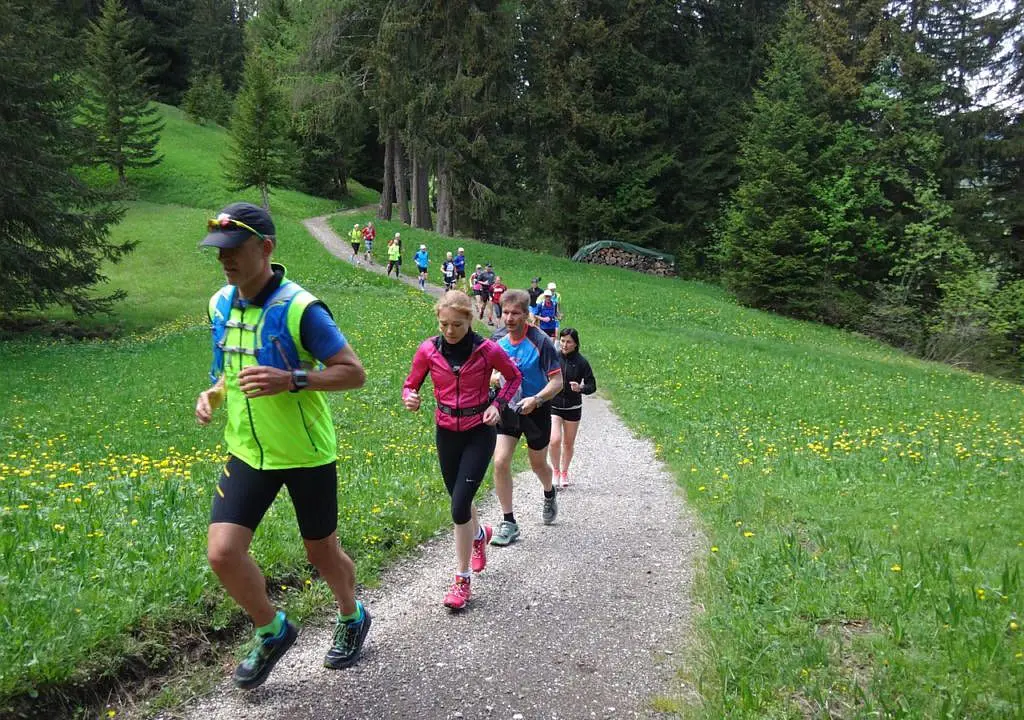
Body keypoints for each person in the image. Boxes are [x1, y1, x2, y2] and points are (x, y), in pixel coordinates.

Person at [195, 202, 371, 690]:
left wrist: (291, 379)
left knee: (321, 554)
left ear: (266, 247)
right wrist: (211, 395)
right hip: (248, 451)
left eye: (234, 249)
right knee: (223, 553)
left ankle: (352, 614)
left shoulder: (301, 308)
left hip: (306, 453)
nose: (224, 260)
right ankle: (273, 629)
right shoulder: (219, 304)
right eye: (218, 251)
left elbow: (353, 372)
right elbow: (225, 372)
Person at [402, 291, 523, 610]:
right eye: (443, 324)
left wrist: (497, 405)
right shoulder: (428, 350)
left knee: (458, 508)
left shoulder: (487, 350)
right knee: (459, 497)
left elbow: (513, 378)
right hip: (446, 431)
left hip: (479, 431)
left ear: (470, 320)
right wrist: (410, 397)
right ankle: (479, 534)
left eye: (457, 324)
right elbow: (411, 384)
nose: (450, 331)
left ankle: (461, 580)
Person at [489, 290, 564, 546]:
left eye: (515, 313)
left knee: (537, 465)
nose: (509, 318)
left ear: (526, 314)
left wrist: (537, 400)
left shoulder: (541, 341)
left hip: (535, 408)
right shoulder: (496, 340)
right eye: (505, 312)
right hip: (508, 408)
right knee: (499, 462)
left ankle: (549, 491)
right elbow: (484, 374)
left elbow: (558, 382)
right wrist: (492, 378)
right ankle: (509, 521)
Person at [549, 328, 596, 489]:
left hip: (573, 407)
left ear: (575, 344)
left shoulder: (582, 362)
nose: (565, 344)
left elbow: (592, 386)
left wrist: (581, 388)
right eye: (562, 341)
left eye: (569, 342)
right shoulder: (553, 357)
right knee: (554, 440)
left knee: (568, 443)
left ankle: (564, 472)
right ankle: (555, 471)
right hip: (554, 405)